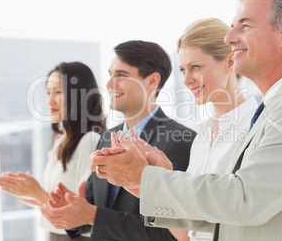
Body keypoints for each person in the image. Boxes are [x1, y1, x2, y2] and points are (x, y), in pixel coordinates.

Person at [91, 0, 282, 241]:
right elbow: (223, 218)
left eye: (245, 26)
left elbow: (246, 199)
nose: (229, 38)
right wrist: (146, 183)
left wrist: (150, 178)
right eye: (231, 29)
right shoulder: (274, 109)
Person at [40, 40, 197, 240]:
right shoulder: (106, 138)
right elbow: (92, 205)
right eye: (110, 74)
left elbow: (172, 232)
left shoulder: (180, 141)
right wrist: (73, 210)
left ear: (152, 81)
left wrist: (92, 216)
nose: (109, 84)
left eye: (121, 75)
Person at [169, 18, 257, 241]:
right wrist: (142, 184)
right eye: (182, 70)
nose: (187, 79)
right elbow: (191, 230)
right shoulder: (202, 136)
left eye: (195, 67)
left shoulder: (256, 128)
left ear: (230, 61)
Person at [0, 62, 106, 241]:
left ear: (80, 96)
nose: (49, 101)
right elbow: (49, 201)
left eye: (58, 92)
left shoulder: (91, 141)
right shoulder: (61, 140)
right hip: (54, 235)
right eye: (48, 92)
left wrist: (37, 192)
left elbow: (87, 212)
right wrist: (25, 191)